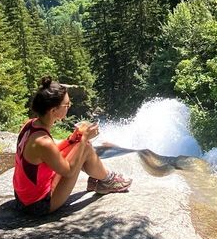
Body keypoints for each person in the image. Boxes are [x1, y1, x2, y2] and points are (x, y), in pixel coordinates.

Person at [13, 76, 132, 216]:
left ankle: (99, 179)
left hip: (23, 197)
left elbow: (49, 155)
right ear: (53, 110)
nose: (69, 107)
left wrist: (71, 140)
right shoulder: (43, 142)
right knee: (85, 147)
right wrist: (84, 139)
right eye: (67, 105)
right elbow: (68, 171)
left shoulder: (29, 125)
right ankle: (108, 181)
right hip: (37, 205)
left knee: (78, 144)